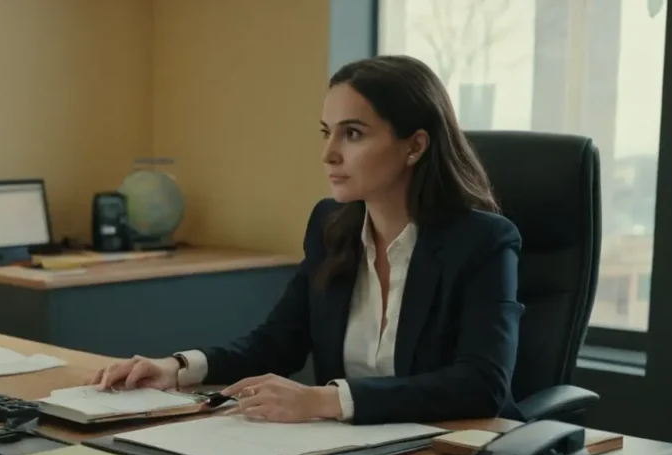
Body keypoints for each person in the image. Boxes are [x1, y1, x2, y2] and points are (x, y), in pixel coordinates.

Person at [88, 55, 524, 425]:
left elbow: (480, 385)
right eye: (326, 132)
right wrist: (177, 368)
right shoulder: (331, 225)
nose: (328, 152)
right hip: (353, 451)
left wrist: (322, 400)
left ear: (415, 146)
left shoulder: (482, 241)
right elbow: (278, 342)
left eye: (352, 134)